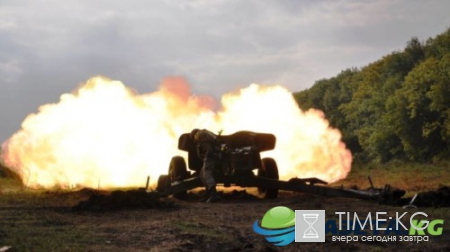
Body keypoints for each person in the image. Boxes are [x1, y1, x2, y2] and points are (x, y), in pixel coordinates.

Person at [190, 128, 221, 203]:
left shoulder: (199, 134)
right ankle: (209, 193)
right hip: (213, 155)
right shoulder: (206, 133)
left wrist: (207, 156)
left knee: (207, 173)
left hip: (210, 156)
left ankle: (214, 194)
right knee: (202, 174)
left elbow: (208, 148)